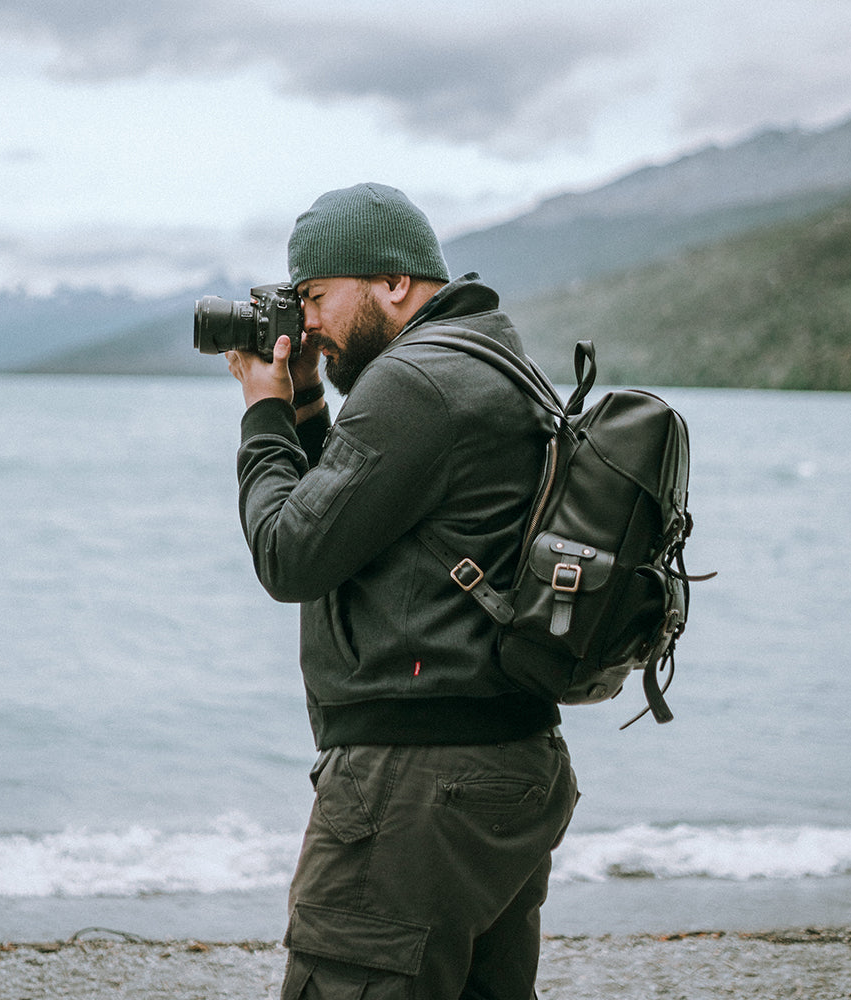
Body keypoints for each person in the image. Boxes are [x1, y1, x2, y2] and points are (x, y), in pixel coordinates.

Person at [226, 182, 578, 1000]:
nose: (305, 322)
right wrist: (307, 401)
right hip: (507, 764)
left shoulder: (415, 382)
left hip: (415, 785)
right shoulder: (492, 360)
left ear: (391, 282)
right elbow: (358, 519)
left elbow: (290, 554)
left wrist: (262, 413)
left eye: (316, 296)